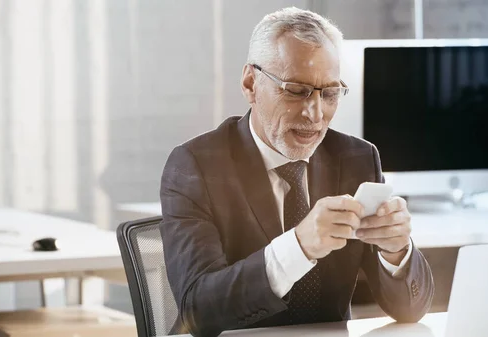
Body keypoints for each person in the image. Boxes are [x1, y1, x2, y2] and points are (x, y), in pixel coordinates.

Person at [160, 7, 434, 337]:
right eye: (296, 90)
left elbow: (411, 310)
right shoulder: (195, 165)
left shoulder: (357, 158)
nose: (315, 113)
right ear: (250, 83)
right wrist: (298, 247)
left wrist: (397, 252)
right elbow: (198, 310)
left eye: (330, 93)